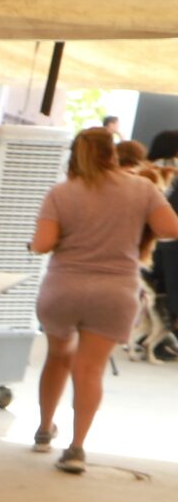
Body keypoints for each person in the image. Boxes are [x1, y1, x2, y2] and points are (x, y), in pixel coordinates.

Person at [29, 126, 177, 473]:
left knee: (58, 357)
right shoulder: (142, 189)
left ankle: (43, 430)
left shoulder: (61, 193)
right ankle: (77, 448)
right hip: (114, 292)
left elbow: (42, 244)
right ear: (113, 153)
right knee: (90, 368)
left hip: (63, 288)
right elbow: (171, 229)